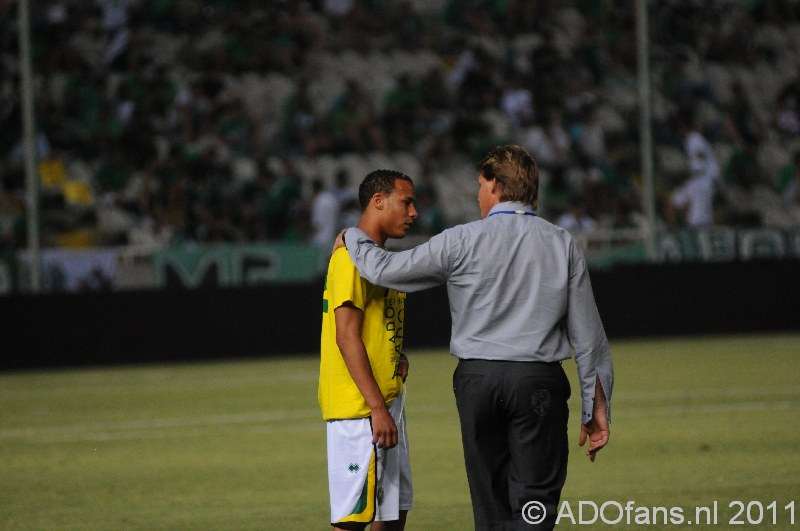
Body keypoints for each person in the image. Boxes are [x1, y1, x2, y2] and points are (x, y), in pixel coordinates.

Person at [339, 145, 613, 530]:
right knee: (535, 504)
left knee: (490, 505)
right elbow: (589, 337)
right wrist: (596, 407)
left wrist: (354, 237)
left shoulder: (460, 239)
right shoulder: (560, 242)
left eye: (481, 185)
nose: (478, 194)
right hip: (537, 382)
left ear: (497, 185)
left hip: (477, 381)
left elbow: (387, 271)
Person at [319, 169, 418, 530]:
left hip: (385, 403)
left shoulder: (375, 258)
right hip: (360, 409)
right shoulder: (349, 259)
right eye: (406, 202)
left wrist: (394, 355)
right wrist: (376, 407)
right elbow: (345, 335)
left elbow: (373, 327)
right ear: (378, 201)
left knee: (392, 514)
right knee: (353, 521)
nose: (413, 213)